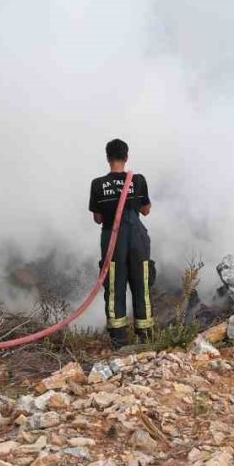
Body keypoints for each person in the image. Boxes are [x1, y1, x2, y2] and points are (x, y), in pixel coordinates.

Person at [89, 139, 153, 349]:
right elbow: (146, 210)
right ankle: (146, 338)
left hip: (112, 241)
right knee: (141, 286)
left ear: (108, 158)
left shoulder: (98, 184)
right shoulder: (138, 180)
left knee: (115, 288)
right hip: (137, 240)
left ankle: (119, 341)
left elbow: (98, 218)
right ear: (126, 157)